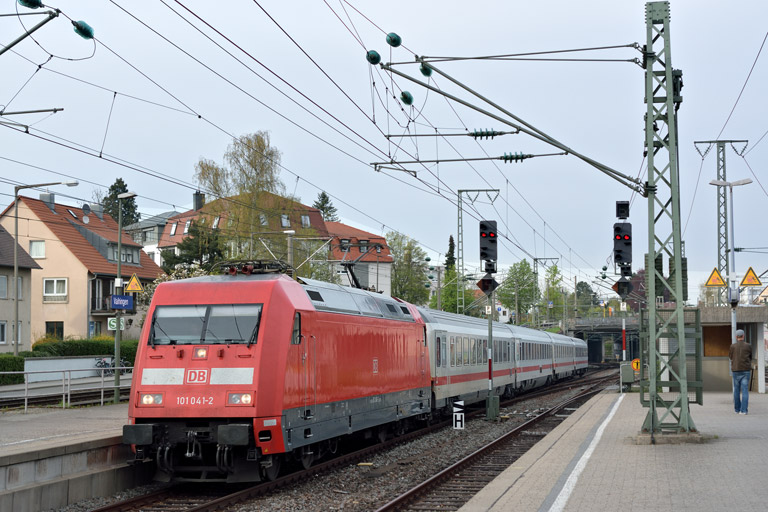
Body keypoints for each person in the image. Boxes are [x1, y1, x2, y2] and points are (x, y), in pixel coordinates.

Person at [728, 329, 753, 415]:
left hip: (736, 370)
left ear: (736, 337)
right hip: (746, 370)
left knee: (736, 390)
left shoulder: (732, 346)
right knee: (745, 390)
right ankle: (744, 410)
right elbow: (750, 357)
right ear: (743, 336)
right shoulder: (748, 346)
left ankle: (737, 409)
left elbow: (730, 357)